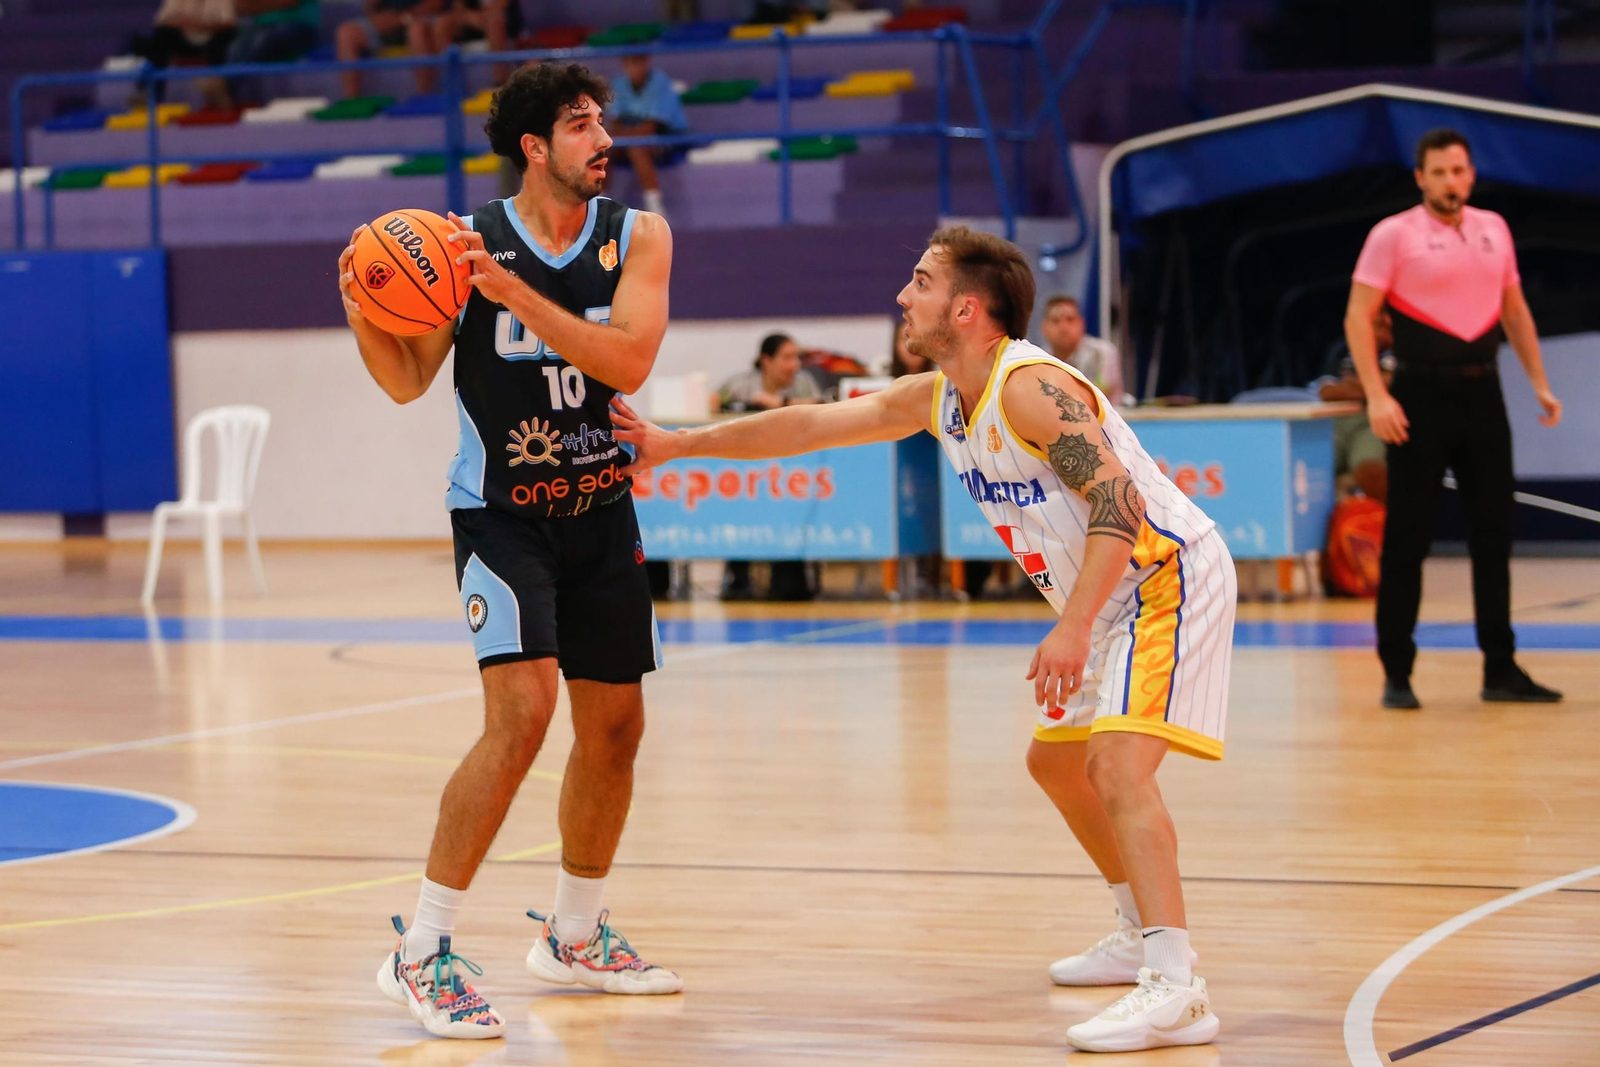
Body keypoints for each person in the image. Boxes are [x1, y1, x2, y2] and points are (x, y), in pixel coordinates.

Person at [612, 226, 1235, 1053]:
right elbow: (811, 427)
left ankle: (1176, 982)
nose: (904, 296)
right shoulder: (940, 395)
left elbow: (1119, 508)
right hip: (1109, 594)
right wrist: (679, 444)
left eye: (921, 280)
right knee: (1056, 761)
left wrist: (1073, 627)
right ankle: (1135, 928)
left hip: (1165, 575)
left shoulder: (1032, 389)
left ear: (967, 308)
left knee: (1115, 764)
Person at [337, 61, 679, 1040]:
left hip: (601, 510)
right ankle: (421, 948)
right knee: (522, 714)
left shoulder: (639, 236)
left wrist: (511, 294)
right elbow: (406, 381)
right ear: (534, 147)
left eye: (600, 121)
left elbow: (626, 361)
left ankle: (574, 933)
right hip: (501, 514)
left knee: (615, 729)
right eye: (580, 125)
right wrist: (363, 298)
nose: (602, 138)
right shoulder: (463, 244)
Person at [1345, 127, 1564, 711]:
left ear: (1471, 174)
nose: (1451, 181)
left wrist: (1540, 383)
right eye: (1439, 172)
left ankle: (1501, 667)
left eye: (1459, 170)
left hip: (1482, 393)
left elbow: (1513, 311)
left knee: (1493, 535)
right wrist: (1377, 396)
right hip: (1417, 394)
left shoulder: (1495, 228)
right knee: (1407, 539)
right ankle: (1397, 670)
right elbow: (1359, 317)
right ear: (1420, 177)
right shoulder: (1392, 235)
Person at [716, 333, 823, 601]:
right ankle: (738, 578)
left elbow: (822, 406)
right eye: (787, 357)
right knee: (741, 510)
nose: (795, 364)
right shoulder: (740, 384)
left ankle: (790, 576)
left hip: (792, 471)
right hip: (746, 470)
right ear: (766, 360)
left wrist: (782, 405)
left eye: (796, 357)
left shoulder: (804, 384)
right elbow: (714, 403)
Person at [1315, 308, 1395, 503]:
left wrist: (1356, 386)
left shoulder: (1397, 354)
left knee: (1369, 468)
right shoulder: (1343, 351)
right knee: (1312, 466)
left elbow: (1392, 385)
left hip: (1372, 421)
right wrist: (1371, 386)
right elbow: (1327, 391)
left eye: (1376, 326)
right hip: (1336, 420)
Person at [608, 52, 691, 218]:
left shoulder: (660, 82)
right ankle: (598, 204)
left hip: (667, 140)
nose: (634, 68)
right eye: (630, 63)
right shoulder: (619, 84)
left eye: (638, 62)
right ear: (624, 64)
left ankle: (656, 209)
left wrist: (621, 134)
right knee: (601, 149)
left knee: (637, 147)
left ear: (646, 61)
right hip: (628, 139)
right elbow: (614, 123)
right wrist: (617, 135)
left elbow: (650, 128)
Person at [335, 0, 442, 99]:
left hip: (420, 18)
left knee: (416, 31)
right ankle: (351, 99)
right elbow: (370, 7)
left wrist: (403, 18)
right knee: (346, 33)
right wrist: (376, 19)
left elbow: (436, 3)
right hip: (387, 23)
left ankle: (424, 96)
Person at [1040, 294, 1127, 405]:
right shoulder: (1040, 359)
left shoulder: (1103, 353)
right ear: (1043, 327)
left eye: (1070, 320)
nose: (1063, 328)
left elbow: (1099, 392)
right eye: (1055, 321)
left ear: (1081, 324)